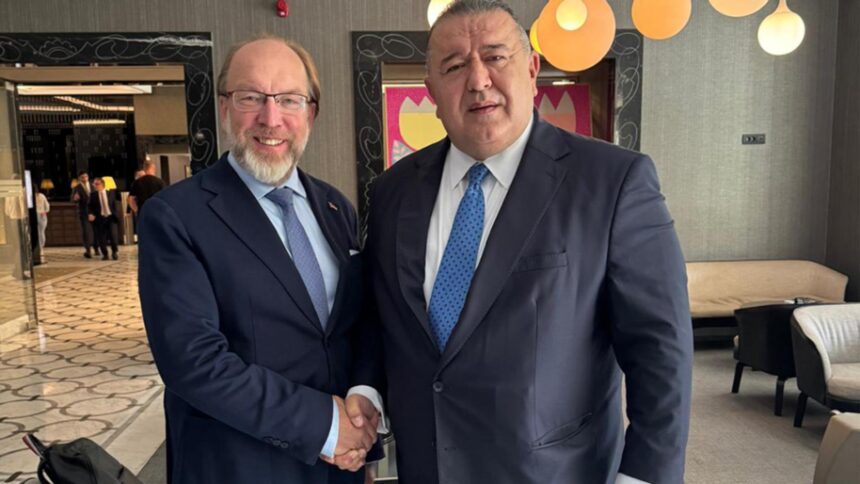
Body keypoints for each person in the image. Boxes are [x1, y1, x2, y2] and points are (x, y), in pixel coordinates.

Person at [354, 1, 693, 483]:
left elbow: (660, 348)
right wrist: (366, 391)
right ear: (431, 91)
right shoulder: (393, 191)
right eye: (454, 66)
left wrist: (643, 477)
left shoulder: (613, 182)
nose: (478, 80)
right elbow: (379, 316)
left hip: (555, 472)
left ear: (532, 69)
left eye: (495, 57)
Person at [138, 35, 380, 484]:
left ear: (311, 113)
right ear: (225, 108)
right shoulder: (175, 216)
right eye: (251, 98)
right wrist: (326, 427)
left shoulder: (335, 207)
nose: (271, 118)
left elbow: (355, 324)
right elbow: (194, 362)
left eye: (289, 99)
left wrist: (361, 410)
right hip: (237, 466)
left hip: (337, 466)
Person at [87, 177, 119, 260]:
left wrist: (116, 214)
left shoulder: (110, 193)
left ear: (102, 184)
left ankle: (114, 252)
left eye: (97, 184)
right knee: (101, 238)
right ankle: (105, 254)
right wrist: (90, 214)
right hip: (99, 218)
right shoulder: (93, 195)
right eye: (94, 184)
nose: (95, 186)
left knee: (113, 236)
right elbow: (89, 206)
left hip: (110, 217)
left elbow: (114, 205)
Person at [71, 171, 98, 258]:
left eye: (86, 176)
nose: (85, 178)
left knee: (95, 230)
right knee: (86, 231)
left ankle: (96, 248)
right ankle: (88, 250)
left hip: (94, 212)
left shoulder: (93, 186)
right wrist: (75, 199)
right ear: (79, 178)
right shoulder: (76, 188)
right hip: (84, 212)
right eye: (83, 177)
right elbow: (72, 199)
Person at [35, 188, 50, 262]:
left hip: (38, 214)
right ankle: (41, 249)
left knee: (39, 232)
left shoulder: (40, 196)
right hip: (42, 214)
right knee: (41, 232)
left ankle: (39, 248)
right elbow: (47, 206)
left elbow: (47, 206)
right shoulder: (41, 196)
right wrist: (45, 211)